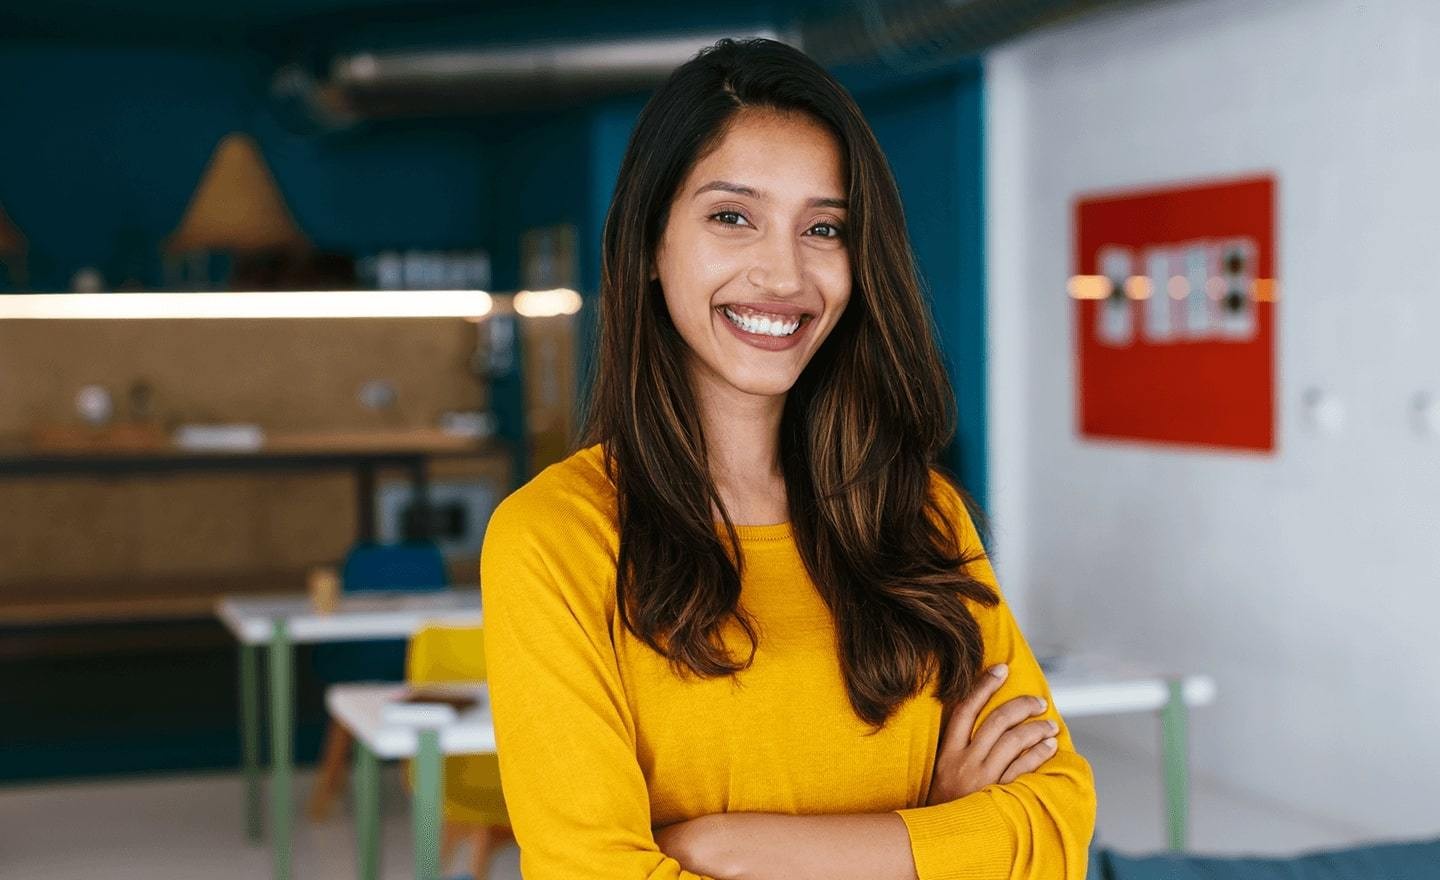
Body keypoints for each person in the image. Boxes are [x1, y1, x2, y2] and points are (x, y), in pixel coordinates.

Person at [480, 37, 1096, 879]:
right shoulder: (556, 537)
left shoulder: (918, 512)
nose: (784, 272)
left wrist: (727, 848)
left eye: (825, 227)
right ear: (651, 245)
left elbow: (1058, 822)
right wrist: (936, 834)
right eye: (732, 217)